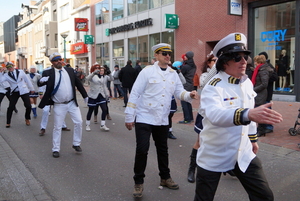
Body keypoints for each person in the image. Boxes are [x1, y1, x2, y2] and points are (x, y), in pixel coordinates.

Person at [194, 33, 283, 201]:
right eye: (237, 58)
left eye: (245, 57)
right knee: (203, 198)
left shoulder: (246, 82)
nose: (244, 61)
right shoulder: (213, 87)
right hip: (215, 153)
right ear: (224, 61)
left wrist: (253, 139)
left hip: (243, 151)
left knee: (264, 196)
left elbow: (250, 113)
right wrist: (248, 114)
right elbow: (215, 115)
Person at [125, 43, 197, 198]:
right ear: (156, 56)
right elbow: (135, 93)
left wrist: (189, 95)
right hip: (145, 116)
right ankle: (138, 182)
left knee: (163, 150)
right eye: (164, 53)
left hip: (162, 118)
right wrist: (129, 116)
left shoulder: (173, 73)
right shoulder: (147, 72)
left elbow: (179, 92)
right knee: (142, 150)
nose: (167, 56)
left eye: (169, 53)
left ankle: (165, 177)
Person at [38, 52, 88, 158]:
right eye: (56, 60)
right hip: (59, 104)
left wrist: (85, 97)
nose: (59, 61)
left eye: (60, 59)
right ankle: (55, 149)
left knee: (79, 122)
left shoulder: (69, 70)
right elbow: (40, 83)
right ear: (52, 63)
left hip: (71, 102)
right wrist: (43, 81)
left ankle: (76, 143)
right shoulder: (49, 73)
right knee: (57, 126)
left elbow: (78, 83)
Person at [187, 52, 217, 183]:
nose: (216, 62)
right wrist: (218, 64)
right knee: (200, 142)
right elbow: (205, 84)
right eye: (213, 61)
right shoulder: (205, 75)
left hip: (218, 115)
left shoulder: (225, 76)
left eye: (218, 60)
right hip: (205, 114)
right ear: (209, 63)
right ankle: (192, 169)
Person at [38, 67, 71, 136]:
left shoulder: (57, 77)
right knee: (46, 111)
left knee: (60, 110)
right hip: (47, 96)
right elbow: (41, 86)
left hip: (56, 96)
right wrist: (41, 94)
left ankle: (63, 125)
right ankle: (43, 128)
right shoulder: (45, 78)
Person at [0, 62, 34, 128]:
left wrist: (31, 88)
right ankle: (8, 122)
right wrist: (1, 73)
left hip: (23, 90)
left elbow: (27, 80)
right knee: (11, 107)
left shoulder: (20, 71)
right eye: (8, 67)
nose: (10, 68)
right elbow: (1, 80)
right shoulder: (6, 75)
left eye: (11, 66)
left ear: (13, 66)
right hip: (15, 91)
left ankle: (27, 118)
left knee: (28, 106)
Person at [85, 64, 113, 132]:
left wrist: (109, 73)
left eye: (99, 68)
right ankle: (87, 124)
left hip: (101, 95)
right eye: (96, 68)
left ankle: (103, 125)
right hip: (93, 95)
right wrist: (93, 73)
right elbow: (87, 78)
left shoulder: (103, 76)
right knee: (91, 110)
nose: (98, 69)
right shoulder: (92, 76)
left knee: (104, 109)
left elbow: (110, 80)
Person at [252, 55, 274, 137]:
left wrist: (254, 89)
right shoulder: (259, 69)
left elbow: (264, 84)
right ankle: (261, 129)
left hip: (261, 94)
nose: (254, 63)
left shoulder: (263, 70)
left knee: (260, 111)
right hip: (259, 93)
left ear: (259, 62)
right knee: (259, 111)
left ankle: (261, 130)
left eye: (255, 61)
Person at [258, 51, 278, 133]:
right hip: (263, 92)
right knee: (264, 108)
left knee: (267, 108)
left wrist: (266, 78)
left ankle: (269, 127)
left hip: (267, 92)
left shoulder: (269, 67)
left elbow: (275, 77)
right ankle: (264, 125)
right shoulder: (261, 66)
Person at [178, 51, 196, 124]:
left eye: (185, 56)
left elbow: (181, 74)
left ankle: (186, 119)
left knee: (184, 102)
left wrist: (179, 68)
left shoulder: (185, 66)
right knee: (188, 102)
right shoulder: (193, 65)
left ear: (188, 57)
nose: (184, 57)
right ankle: (190, 118)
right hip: (190, 84)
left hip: (185, 85)